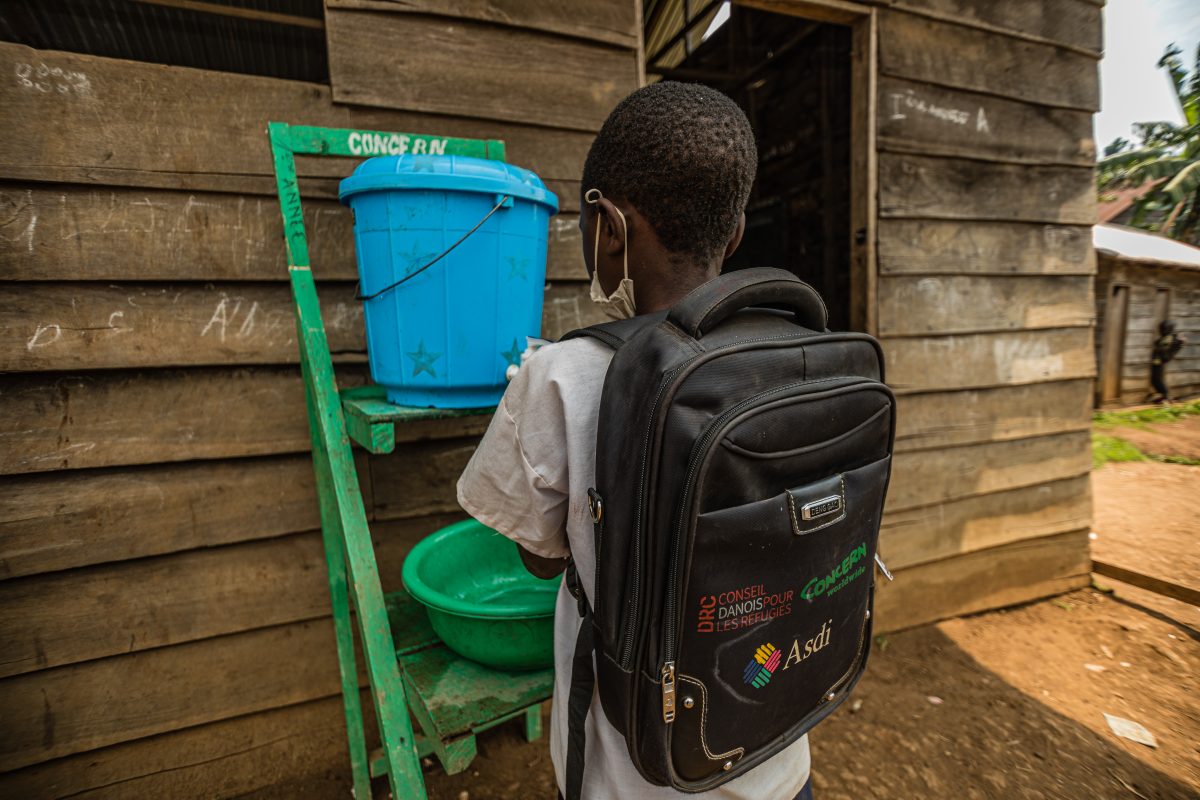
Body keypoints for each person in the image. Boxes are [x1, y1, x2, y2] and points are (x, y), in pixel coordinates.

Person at [456, 82, 814, 800]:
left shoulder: (561, 375)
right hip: (776, 753)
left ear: (609, 228)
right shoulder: (799, 352)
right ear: (735, 232)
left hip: (634, 777)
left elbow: (535, 559)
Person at [1149, 319, 1186, 403]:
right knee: (1155, 379)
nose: (1161, 330)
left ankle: (1165, 395)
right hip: (1158, 359)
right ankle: (1163, 395)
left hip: (1159, 360)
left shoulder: (1170, 337)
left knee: (1156, 379)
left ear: (1168, 328)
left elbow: (1162, 348)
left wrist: (1158, 346)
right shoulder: (1169, 337)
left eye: (1163, 328)